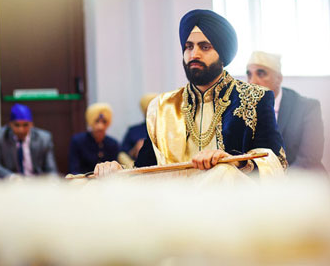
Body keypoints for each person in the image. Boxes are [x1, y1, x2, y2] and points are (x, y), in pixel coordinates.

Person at [94, 9, 286, 177]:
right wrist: (116, 170)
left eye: (205, 47)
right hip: (175, 206)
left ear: (222, 55)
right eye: (189, 46)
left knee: (223, 172)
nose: (194, 54)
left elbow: (276, 161)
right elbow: (145, 170)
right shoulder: (163, 106)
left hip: (232, 206)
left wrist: (234, 162)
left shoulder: (255, 98)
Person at [246, 51, 327, 173]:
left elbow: (309, 158)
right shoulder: (245, 108)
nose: (252, 82)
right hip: (262, 185)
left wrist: (281, 184)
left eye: (261, 74)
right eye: (249, 75)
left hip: (302, 181)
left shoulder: (307, 108)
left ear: (278, 79)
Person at [0, 103, 58, 178]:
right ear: (10, 124)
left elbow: (51, 169)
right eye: (17, 125)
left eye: (25, 125)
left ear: (31, 124)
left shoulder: (44, 139)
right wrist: (13, 178)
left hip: (36, 183)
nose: (21, 130)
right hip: (9, 184)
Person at [68, 103, 120, 175]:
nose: (100, 126)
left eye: (104, 121)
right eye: (97, 121)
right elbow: (74, 170)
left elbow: (115, 170)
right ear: (91, 122)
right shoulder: (78, 141)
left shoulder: (113, 144)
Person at [120, 93, 158, 161]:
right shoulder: (133, 131)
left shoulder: (165, 129)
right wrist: (135, 149)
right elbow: (123, 154)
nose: (152, 112)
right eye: (149, 109)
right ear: (144, 111)